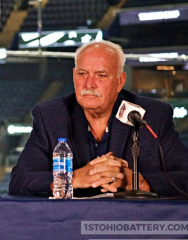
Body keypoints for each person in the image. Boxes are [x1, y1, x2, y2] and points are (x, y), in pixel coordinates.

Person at [9, 40, 188, 197]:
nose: (88, 84)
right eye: (82, 74)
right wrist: (73, 178)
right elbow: (20, 181)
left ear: (120, 81)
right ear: (73, 76)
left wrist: (137, 181)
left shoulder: (152, 115)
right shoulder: (50, 115)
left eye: (101, 75)